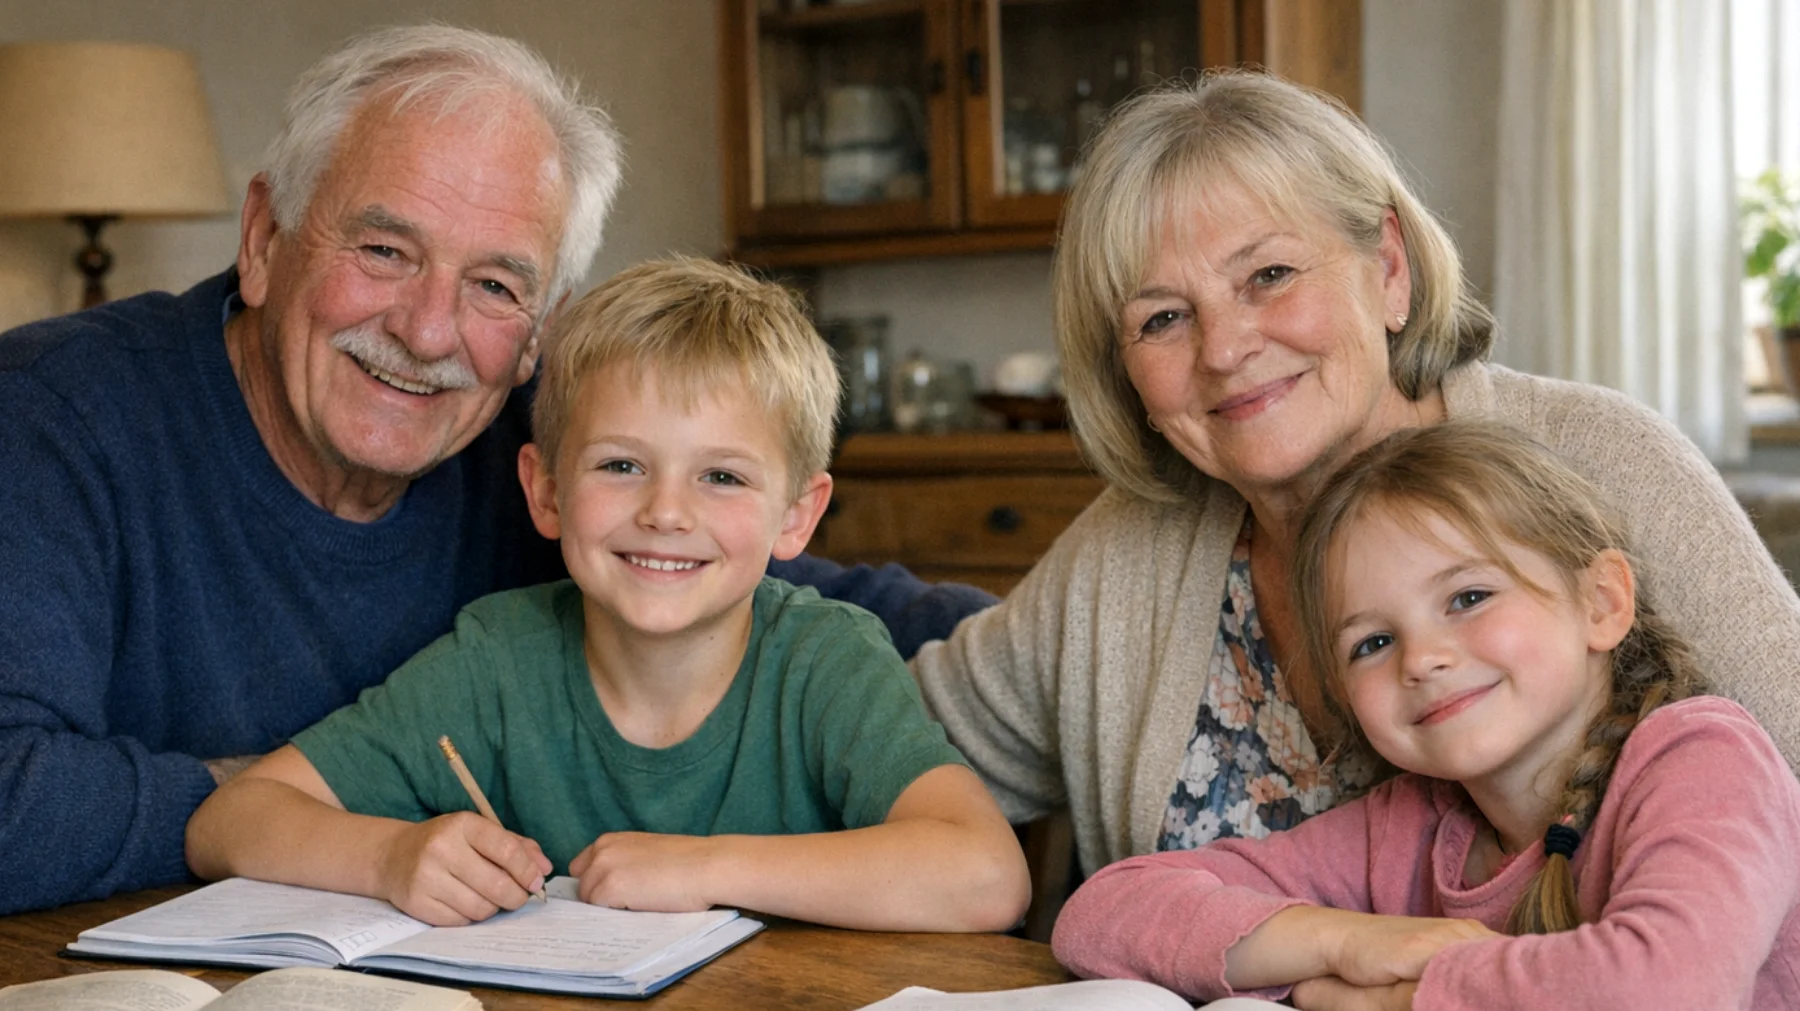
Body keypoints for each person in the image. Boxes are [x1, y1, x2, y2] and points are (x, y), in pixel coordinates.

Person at [0, 25, 991, 916]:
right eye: (384, 249)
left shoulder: (548, 435)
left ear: (539, 331)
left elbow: (759, 584)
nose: (430, 331)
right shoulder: (49, 418)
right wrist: (326, 819)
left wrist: (1056, 634)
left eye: (494, 284)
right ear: (263, 240)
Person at [910, 69, 1800, 878]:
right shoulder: (1127, 551)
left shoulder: (1602, 460)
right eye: (1164, 319)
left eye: (1268, 274)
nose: (1224, 348)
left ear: (1389, 270)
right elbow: (894, 735)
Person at [185, 257, 1031, 933]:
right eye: (621, 465)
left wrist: (705, 868)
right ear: (546, 490)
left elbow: (988, 876)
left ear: (797, 515)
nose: (666, 511)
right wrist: (390, 856)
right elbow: (230, 820)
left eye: (722, 476)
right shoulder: (496, 660)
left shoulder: (826, 662)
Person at [1051, 421, 1800, 1009]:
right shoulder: (1408, 826)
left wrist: (1405, 996)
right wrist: (1347, 945)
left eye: (1468, 597)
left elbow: (1667, 988)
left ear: (1601, 602)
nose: (1422, 658)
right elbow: (1102, 914)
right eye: (1372, 642)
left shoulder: (1702, 758)